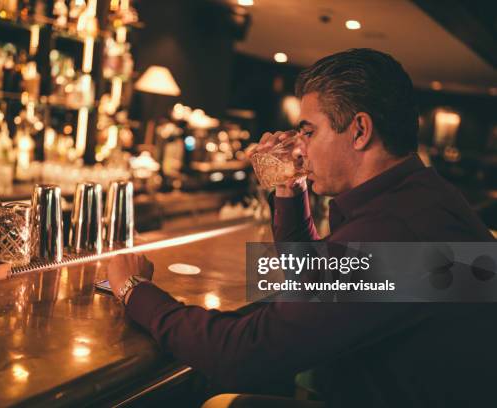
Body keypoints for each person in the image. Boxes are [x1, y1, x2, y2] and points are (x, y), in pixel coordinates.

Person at [107, 49, 496, 407]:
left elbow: (242, 354)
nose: (300, 147)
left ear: (359, 130)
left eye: (308, 131)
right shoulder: (423, 198)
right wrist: (288, 187)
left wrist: (133, 290)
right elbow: (313, 279)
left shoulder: (396, 234)